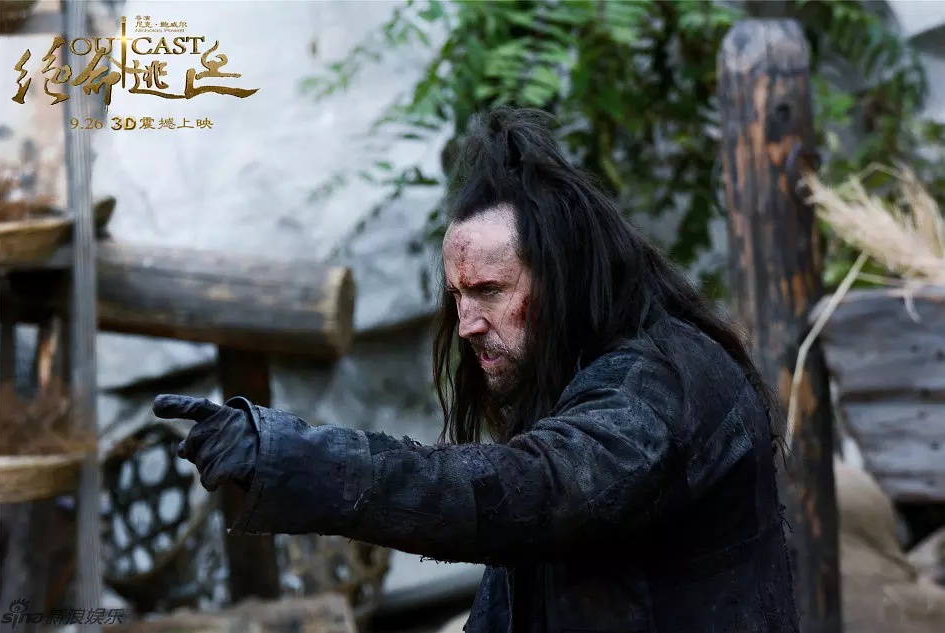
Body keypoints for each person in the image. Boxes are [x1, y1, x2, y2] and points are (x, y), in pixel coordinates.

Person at [153, 107, 799, 632]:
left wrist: (292, 456)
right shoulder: (570, 381)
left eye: (488, 290)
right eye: (458, 297)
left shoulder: (657, 391)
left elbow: (522, 491)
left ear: (562, 278)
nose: (466, 324)